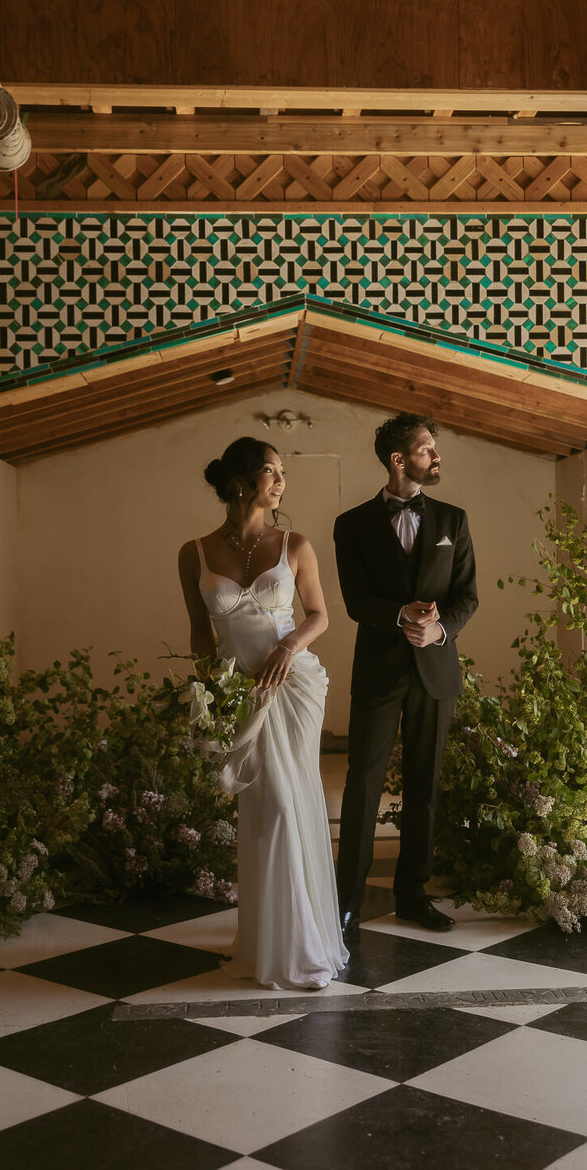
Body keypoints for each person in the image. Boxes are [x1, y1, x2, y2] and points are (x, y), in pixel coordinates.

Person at [179, 436, 347, 990]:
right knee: (259, 813)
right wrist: (209, 696)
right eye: (271, 472)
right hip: (237, 696)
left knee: (287, 804)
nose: (281, 482)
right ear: (240, 482)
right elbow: (201, 633)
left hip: (289, 686)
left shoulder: (295, 544)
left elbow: (320, 615)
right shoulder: (194, 553)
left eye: (282, 473)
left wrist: (287, 646)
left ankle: (302, 945)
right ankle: (265, 942)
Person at [333, 412, 478, 936]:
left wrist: (439, 631)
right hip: (379, 668)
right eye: (426, 449)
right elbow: (355, 601)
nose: (436, 457)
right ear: (399, 460)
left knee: (426, 786)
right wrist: (400, 617)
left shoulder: (453, 520)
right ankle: (346, 898)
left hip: (435, 669)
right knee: (363, 784)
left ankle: (412, 895)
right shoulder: (350, 525)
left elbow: (466, 596)